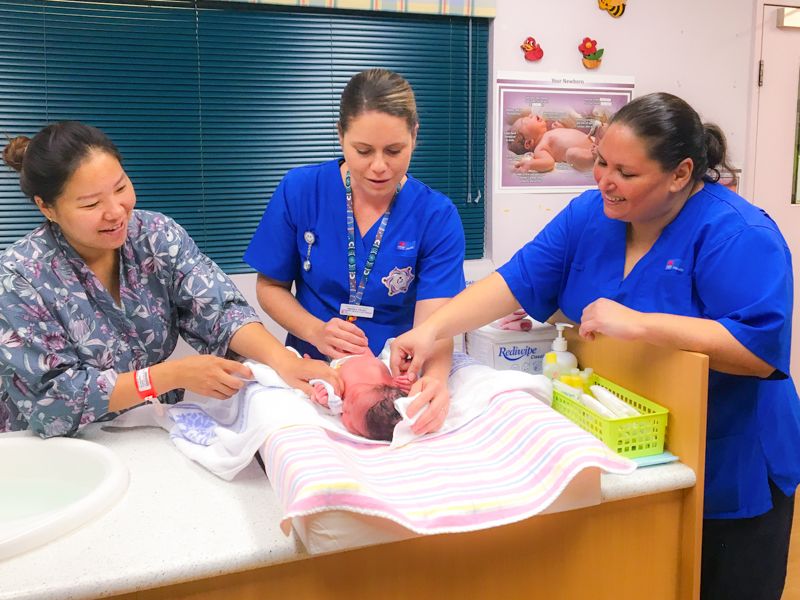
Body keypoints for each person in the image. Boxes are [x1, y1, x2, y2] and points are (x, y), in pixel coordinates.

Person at [390, 93, 800, 600]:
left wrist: (645, 324)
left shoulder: (737, 233)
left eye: (626, 173)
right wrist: (429, 331)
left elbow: (758, 351)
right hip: (632, 447)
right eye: (601, 161)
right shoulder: (591, 215)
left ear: (680, 173)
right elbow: (513, 281)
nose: (605, 180)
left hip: (727, 459)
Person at [0, 121, 340, 438]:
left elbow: (220, 310)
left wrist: (282, 361)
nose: (116, 211)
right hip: (54, 450)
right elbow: (51, 400)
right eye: (91, 204)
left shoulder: (155, 236)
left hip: (147, 430)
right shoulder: (20, 276)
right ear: (47, 207)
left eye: (120, 187)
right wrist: (167, 376)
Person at [244, 68, 466, 435]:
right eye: (363, 151)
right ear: (340, 135)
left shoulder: (436, 216)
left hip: (395, 378)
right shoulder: (301, 190)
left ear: (415, 135)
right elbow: (270, 287)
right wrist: (315, 331)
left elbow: (436, 326)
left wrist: (436, 380)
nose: (379, 166)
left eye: (394, 150)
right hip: (313, 369)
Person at [308, 348, 407, 441]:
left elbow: (328, 397)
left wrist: (323, 395)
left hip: (334, 368)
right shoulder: (392, 383)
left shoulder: (339, 397)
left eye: (352, 426)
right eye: (352, 400)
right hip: (361, 352)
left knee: (315, 374)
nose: (345, 405)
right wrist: (407, 381)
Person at [507, 113, 607, 173]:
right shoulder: (540, 149)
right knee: (571, 154)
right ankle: (593, 158)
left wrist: (562, 129)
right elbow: (549, 163)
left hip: (594, 141)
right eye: (525, 120)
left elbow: (567, 138)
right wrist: (531, 164)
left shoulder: (549, 133)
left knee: (604, 128)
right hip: (586, 152)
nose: (530, 115)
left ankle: (607, 146)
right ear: (528, 143)